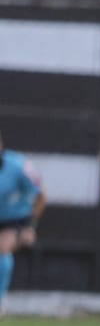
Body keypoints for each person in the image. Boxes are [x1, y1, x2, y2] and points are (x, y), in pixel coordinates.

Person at [0, 131, 46, 314]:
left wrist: (30, 226)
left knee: (2, 249)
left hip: (15, 220)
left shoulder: (18, 166)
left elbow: (41, 196)